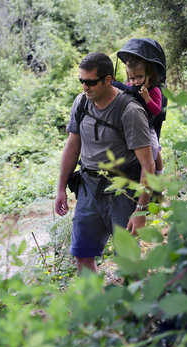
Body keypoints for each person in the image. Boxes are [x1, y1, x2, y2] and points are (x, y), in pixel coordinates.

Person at [55, 52, 155, 273]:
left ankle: (131, 306)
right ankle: (94, 305)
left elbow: (148, 166)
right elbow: (72, 147)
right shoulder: (81, 103)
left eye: (90, 82)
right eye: (81, 81)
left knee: (128, 259)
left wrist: (140, 210)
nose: (84, 87)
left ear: (108, 80)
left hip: (122, 192)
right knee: (82, 253)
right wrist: (61, 188)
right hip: (88, 188)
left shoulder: (130, 111)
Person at [117, 54, 164, 176]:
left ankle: (159, 175)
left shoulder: (154, 90)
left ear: (148, 75)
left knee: (154, 147)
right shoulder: (129, 87)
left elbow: (156, 111)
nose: (136, 81)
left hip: (147, 126)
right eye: (132, 78)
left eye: (140, 77)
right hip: (130, 124)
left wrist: (147, 98)